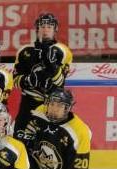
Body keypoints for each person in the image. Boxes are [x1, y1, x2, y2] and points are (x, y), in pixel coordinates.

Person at [13, 12, 73, 141]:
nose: (45, 29)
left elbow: (60, 81)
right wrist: (30, 80)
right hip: (28, 103)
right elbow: (16, 81)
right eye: (42, 26)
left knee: (49, 143)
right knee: (21, 139)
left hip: (53, 105)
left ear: (55, 29)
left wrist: (51, 66)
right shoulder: (24, 51)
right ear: (37, 29)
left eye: (49, 27)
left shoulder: (63, 51)